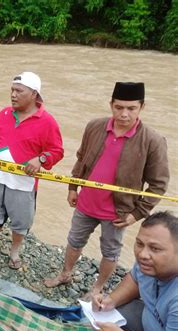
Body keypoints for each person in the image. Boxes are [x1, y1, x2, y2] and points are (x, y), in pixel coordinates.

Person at [44, 82, 170, 298]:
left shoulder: (153, 140)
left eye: (131, 108)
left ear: (142, 107)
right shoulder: (95, 126)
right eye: (119, 107)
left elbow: (158, 185)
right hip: (85, 204)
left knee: (110, 252)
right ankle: (65, 273)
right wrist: (73, 187)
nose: (124, 114)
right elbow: (81, 159)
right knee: (74, 241)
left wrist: (136, 214)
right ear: (111, 104)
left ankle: (98, 287)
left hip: (118, 213)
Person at [0, 72, 64, 269]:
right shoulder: (5, 113)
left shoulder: (47, 121)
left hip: (24, 183)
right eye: (12, 90)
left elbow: (57, 151)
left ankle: (14, 253)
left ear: (34, 94)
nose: (13, 95)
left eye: (19, 91)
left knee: (21, 221)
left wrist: (41, 159)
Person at [91, 211, 177, 331]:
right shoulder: (149, 266)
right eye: (139, 244)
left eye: (155, 248)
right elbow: (135, 279)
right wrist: (111, 300)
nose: (142, 255)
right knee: (109, 317)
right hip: (151, 322)